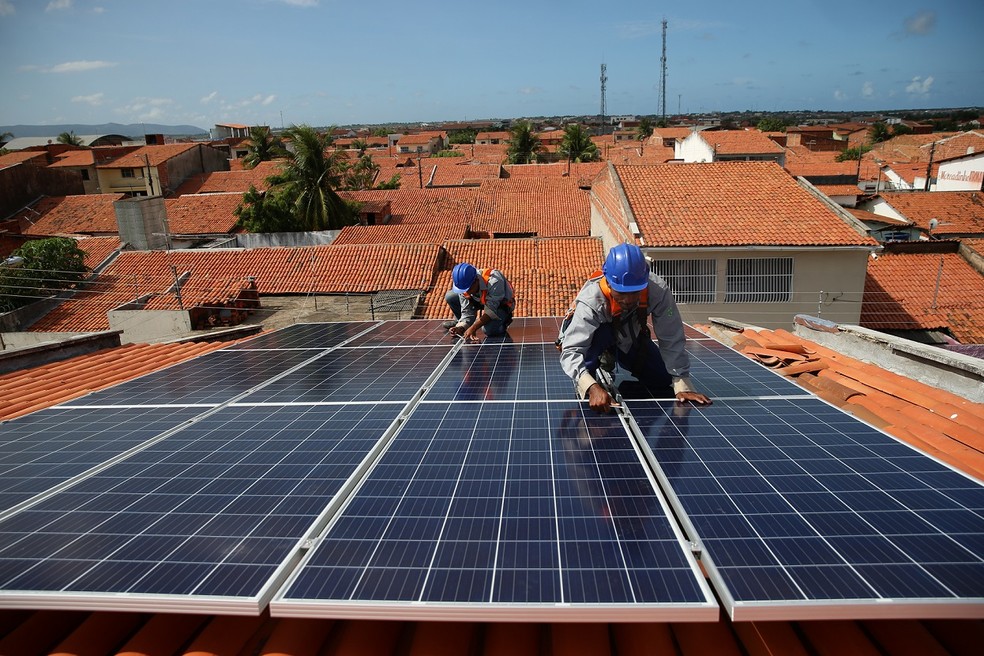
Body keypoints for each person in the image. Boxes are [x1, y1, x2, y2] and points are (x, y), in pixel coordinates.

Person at [558, 242, 712, 412]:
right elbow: (571, 350)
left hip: (628, 338)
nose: (629, 299)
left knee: (662, 379)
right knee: (600, 339)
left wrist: (683, 385)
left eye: (635, 291)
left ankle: (619, 374)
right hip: (595, 341)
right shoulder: (591, 301)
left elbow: (671, 336)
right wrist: (591, 386)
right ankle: (592, 373)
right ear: (608, 283)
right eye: (622, 293)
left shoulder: (658, 291)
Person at [443, 262, 515, 342]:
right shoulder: (462, 284)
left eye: (468, 289)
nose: (466, 292)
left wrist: (474, 327)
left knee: (489, 331)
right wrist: (461, 327)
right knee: (451, 296)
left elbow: (491, 311)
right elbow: (467, 312)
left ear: (476, 280)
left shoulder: (494, 281)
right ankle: (459, 321)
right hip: (480, 301)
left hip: (501, 305)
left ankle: (504, 321)